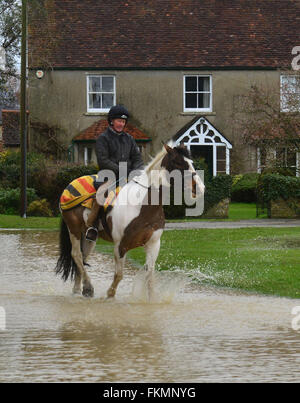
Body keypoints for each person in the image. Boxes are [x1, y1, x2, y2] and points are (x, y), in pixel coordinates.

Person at [86, 105, 144, 241]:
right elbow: (103, 160)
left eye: (123, 122)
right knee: (101, 195)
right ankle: (92, 226)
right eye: (119, 121)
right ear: (111, 121)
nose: (121, 124)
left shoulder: (129, 138)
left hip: (129, 177)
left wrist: (136, 172)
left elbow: (138, 159)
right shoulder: (103, 138)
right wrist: (124, 171)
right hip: (109, 176)